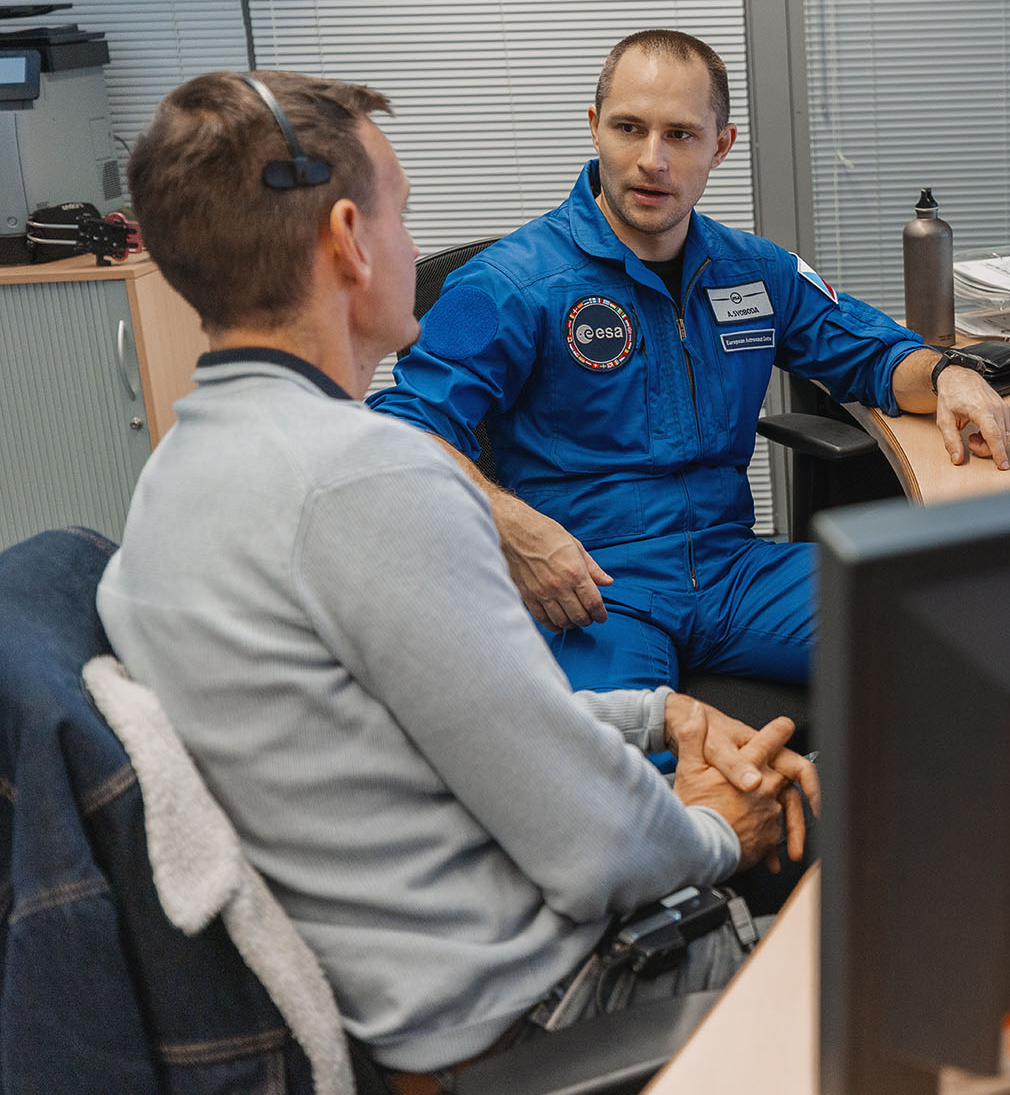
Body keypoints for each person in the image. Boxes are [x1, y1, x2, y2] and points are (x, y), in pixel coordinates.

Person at [97, 70, 818, 1082]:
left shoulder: (177, 472)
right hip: (563, 1007)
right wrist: (720, 831)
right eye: (403, 214)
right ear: (350, 239)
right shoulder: (367, 479)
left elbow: (435, 721)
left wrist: (661, 715)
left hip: (427, 986)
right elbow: (603, 853)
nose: (413, 248)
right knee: (918, 903)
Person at [368, 30, 1010, 695]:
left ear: (720, 146)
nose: (652, 160)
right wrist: (512, 528)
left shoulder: (754, 271)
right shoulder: (506, 283)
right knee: (616, 753)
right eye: (629, 128)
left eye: (680, 135)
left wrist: (948, 375)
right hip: (592, 589)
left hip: (735, 572)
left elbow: (873, 353)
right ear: (594, 128)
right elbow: (401, 431)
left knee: (970, 645)